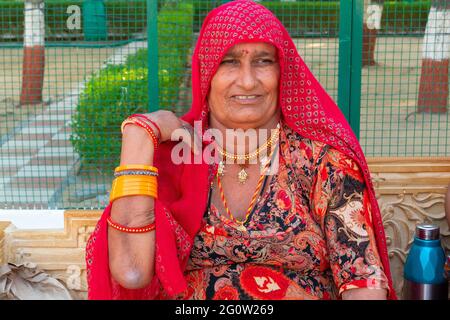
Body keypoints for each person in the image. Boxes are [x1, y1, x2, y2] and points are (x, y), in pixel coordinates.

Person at [86, 0, 396, 300]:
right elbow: (131, 272)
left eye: (263, 61)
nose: (247, 81)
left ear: (282, 71)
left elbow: (361, 279)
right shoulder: (175, 156)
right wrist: (140, 134)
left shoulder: (322, 162)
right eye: (229, 61)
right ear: (207, 71)